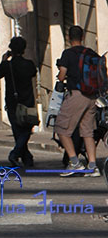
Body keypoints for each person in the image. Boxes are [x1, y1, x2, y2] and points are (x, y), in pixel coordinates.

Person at [55, 25, 101, 177]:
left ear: (69, 38)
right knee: (87, 131)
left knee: (62, 128)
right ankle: (93, 166)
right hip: (92, 97)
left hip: (77, 95)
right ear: (82, 37)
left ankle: (75, 162)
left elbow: (62, 76)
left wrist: (62, 76)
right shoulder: (91, 53)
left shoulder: (68, 54)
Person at [0, 36, 37, 168]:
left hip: (13, 102)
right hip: (28, 102)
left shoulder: (8, 65)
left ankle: (15, 154)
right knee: (25, 130)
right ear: (24, 49)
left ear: (11, 50)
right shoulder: (29, 64)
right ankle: (27, 158)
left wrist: (4, 60)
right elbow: (33, 74)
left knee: (18, 131)